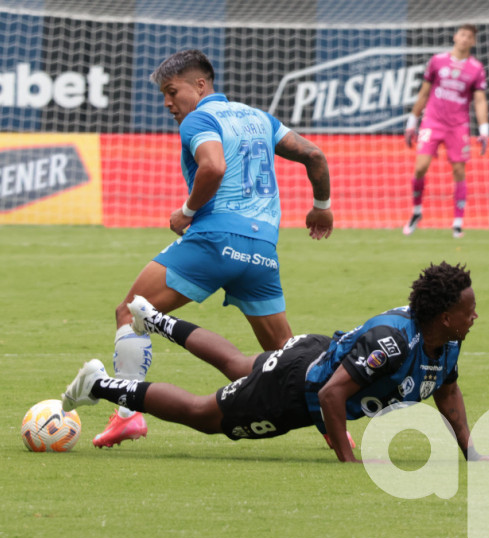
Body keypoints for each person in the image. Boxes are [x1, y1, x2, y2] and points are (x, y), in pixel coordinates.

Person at [93, 49, 333, 448]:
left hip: (215, 241)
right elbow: (314, 154)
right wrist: (321, 207)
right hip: (262, 252)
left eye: (172, 92)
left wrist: (187, 211)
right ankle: (334, 429)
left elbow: (214, 166)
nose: (168, 103)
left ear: (200, 85)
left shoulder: (199, 119)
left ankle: (127, 414)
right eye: (164, 96)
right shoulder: (260, 118)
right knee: (287, 359)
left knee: (129, 309)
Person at [63, 262, 489, 463]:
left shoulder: (446, 340)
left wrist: (470, 452)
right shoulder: (392, 344)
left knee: (239, 363)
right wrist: (346, 457)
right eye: (470, 310)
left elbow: (446, 388)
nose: (476, 316)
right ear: (446, 316)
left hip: (312, 354)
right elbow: (333, 394)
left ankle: (153, 317)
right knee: (203, 415)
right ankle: (98, 383)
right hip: (296, 389)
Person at [403, 24, 489, 239]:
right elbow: (423, 93)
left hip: (458, 125)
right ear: (454, 36)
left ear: (473, 42)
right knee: (421, 167)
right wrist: (412, 121)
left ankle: (457, 222)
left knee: (459, 171)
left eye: (469, 36)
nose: (464, 39)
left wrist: (484, 129)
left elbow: (479, 100)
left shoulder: (476, 68)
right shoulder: (437, 61)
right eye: (462, 34)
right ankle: (416, 212)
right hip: (431, 122)